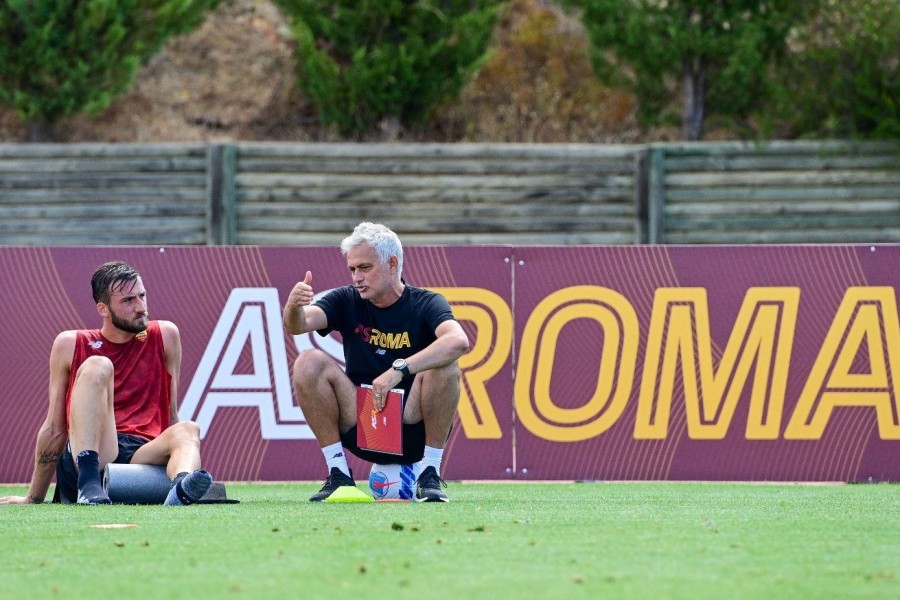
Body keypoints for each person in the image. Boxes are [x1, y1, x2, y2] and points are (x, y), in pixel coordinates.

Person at [0, 261, 212, 506]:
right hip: (94, 453)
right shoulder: (70, 343)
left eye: (142, 296)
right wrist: (33, 497)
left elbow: (170, 414)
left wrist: (181, 452)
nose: (141, 307)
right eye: (128, 301)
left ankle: (181, 491)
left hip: (141, 457)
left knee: (188, 429)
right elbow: (55, 427)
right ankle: (88, 487)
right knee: (98, 365)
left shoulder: (166, 335)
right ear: (103, 309)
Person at [284, 222, 469, 502]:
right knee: (308, 362)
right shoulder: (346, 299)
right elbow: (298, 325)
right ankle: (338, 474)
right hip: (363, 423)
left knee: (445, 362)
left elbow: (459, 341)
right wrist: (293, 307)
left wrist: (400, 369)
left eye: (365, 268)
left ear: (392, 263)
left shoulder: (427, 303)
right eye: (352, 269)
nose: (356, 277)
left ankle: (429, 473)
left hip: (413, 427)